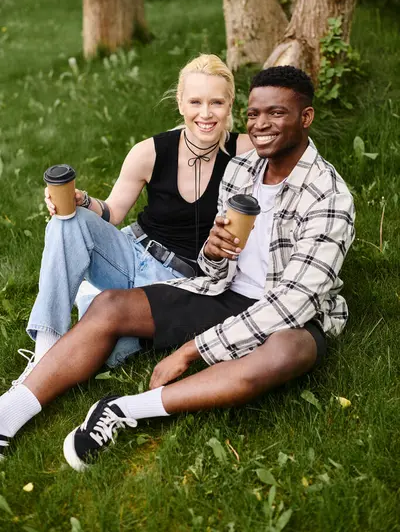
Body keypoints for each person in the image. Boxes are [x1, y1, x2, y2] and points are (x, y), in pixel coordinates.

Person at [0, 66, 355, 470]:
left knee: (285, 353)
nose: (261, 125)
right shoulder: (243, 169)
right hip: (226, 293)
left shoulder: (328, 196)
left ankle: (124, 409)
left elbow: (294, 303)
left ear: (305, 118)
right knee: (110, 306)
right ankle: (8, 412)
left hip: (294, 312)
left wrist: (192, 349)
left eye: (276, 113)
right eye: (255, 114)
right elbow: (212, 268)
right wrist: (215, 252)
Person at [8, 53, 253, 383]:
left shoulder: (247, 153)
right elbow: (112, 212)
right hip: (131, 254)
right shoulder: (149, 152)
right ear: (180, 103)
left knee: (96, 353)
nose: (205, 114)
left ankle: (97, 309)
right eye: (195, 101)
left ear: (230, 104)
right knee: (68, 220)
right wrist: (83, 201)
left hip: (178, 285)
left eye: (216, 103)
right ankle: (44, 351)